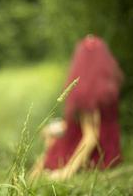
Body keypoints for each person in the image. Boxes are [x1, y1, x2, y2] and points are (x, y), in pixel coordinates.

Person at [29, 35, 123, 181]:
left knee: (52, 151)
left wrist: (68, 171)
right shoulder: (106, 89)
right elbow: (97, 124)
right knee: (53, 134)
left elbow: (91, 135)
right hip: (109, 149)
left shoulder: (88, 92)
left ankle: (29, 180)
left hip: (95, 153)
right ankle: (30, 179)